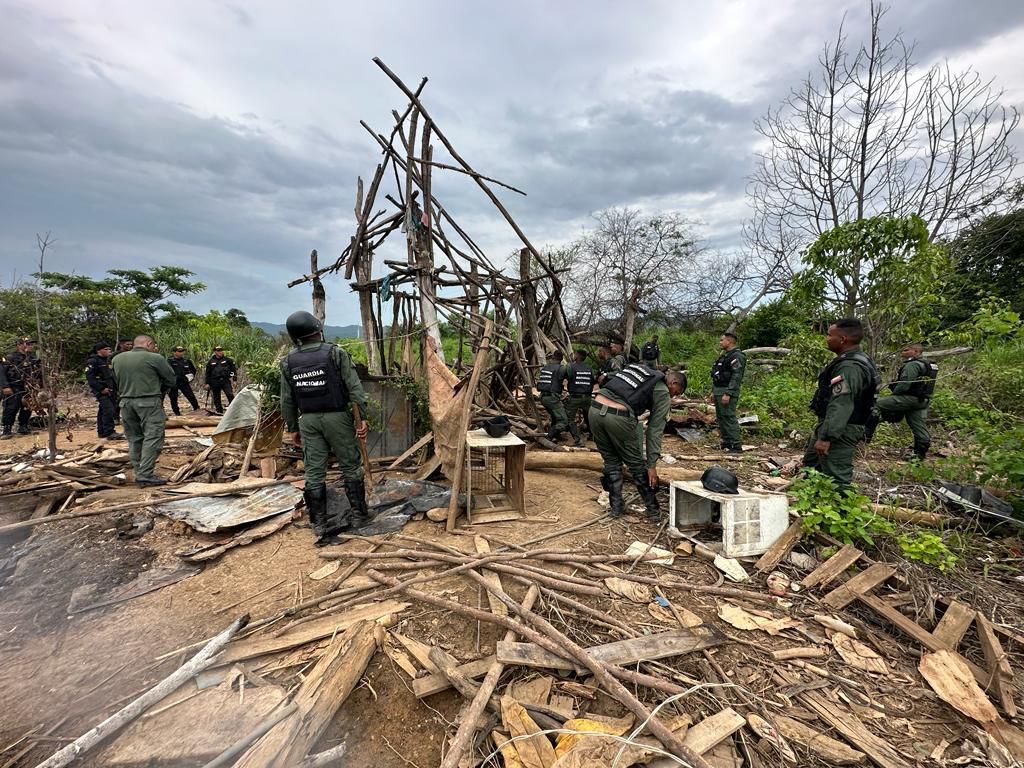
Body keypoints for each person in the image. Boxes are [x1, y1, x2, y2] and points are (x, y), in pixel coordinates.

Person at [279, 310, 370, 546]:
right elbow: (354, 389)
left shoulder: (288, 362)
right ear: (318, 329)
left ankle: (318, 522)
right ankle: (360, 516)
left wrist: (292, 427)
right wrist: (363, 418)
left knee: (314, 471)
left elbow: (287, 399)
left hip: (307, 421)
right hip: (337, 418)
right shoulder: (335, 353)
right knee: (351, 465)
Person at [588, 363, 686, 521]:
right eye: (675, 393)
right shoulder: (662, 391)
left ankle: (616, 508)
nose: (673, 397)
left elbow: (607, 379)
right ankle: (654, 512)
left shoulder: (640, 371)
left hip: (594, 410)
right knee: (636, 464)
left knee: (611, 460)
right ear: (673, 383)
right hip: (618, 417)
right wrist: (652, 465)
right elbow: (654, 431)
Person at [801, 318, 880, 487]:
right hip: (831, 425)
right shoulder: (852, 359)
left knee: (836, 479)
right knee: (811, 467)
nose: (826, 339)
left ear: (843, 339)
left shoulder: (850, 367)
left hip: (842, 429)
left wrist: (827, 437)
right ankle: (810, 505)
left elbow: (841, 402)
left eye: (829, 335)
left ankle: (839, 509)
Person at [111, 335, 177, 486]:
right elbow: (171, 380)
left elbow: (115, 381)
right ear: (149, 344)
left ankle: (139, 471)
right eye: (154, 345)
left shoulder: (117, 359)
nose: (155, 348)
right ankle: (145, 474)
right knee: (153, 437)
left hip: (126, 403)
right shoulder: (155, 358)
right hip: (149, 402)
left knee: (134, 438)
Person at [869, 342, 937, 460]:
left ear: (916, 352)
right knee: (919, 426)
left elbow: (904, 385)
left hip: (909, 398)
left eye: (906, 350)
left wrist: (894, 395)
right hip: (922, 400)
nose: (903, 352)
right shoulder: (928, 364)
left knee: (874, 404)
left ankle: (865, 435)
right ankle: (918, 456)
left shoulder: (913, 365)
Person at [711, 332, 746, 453]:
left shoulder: (737, 356)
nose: (720, 343)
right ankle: (726, 442)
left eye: (722, 340)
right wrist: (713, 391)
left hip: (727, 390)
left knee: (729, 417)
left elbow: (736, 376)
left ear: (729, 341)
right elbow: (718, 373)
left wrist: (728, 393)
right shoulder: (725, 355)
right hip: (719, 389)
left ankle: (735, 445)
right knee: (721, 417)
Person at [0, 337, 41, 440]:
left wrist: (40, 386)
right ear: (19, 345)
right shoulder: (10, 357)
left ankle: (23, 425)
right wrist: (5, 386)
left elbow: (39, 372)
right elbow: (1, 373)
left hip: (28, 387)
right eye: (28, 344)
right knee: (11, 407)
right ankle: (7, 428)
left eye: (32, 344)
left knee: (27, 407)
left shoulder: (32, 357)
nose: (31, 346)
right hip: (13, 386)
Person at [84, 341, 122, 440]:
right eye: (106, 349)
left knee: (103, 410)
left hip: (111, 389)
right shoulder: (93, 361)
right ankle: (109, 432)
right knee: (109, 410)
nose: (109, 351)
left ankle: (102, 432)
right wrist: (101, 389)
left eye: (109, 349)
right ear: (98, 351)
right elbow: (90, 378)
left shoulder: (108, 360)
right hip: (101, 390)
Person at [536, 351, 572, 444]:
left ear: (552, 357)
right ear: (561, 359)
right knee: (564, 421)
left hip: (543, 397)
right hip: (552, 398)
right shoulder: (561, 368)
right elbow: (569, 377)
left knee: (555, 417)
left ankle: (556, 436)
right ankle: (548, 438)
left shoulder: (546, 367)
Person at [565, 349, 595, 447]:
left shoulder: (571, 367)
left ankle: (578, 440)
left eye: (575, 354)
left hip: (575, 397)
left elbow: (568, 378)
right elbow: (592, 381)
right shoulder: (589, 368)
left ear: (577, 356)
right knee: (589, 417)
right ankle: (593, 436)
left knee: (569, 419)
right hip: (587, 398)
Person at [166, 345, 201, 415]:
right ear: (174, 352)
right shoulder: (169, 361)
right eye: (179, 351)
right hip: (174, 382)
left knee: (191, 396)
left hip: (184, 382)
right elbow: (166, 372)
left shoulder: (187, 361)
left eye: (182, 351)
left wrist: (190, 377)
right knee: (173, 398)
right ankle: (177, 412)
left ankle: (197, 409)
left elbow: (193, 370)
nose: (181, 353)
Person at [205, 346, 237, 414]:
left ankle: (234, 409)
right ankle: (219, 411)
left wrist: (234, 380)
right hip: (215, 381)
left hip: (225, 380)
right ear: (215, 352)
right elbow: (207, 373)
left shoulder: (228, 360)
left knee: (230, 394)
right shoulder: (211, 362)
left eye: (221, 350)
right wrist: (207, 383)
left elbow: (234, 370)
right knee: (216, 397)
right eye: (218, 351)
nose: (220, 352)